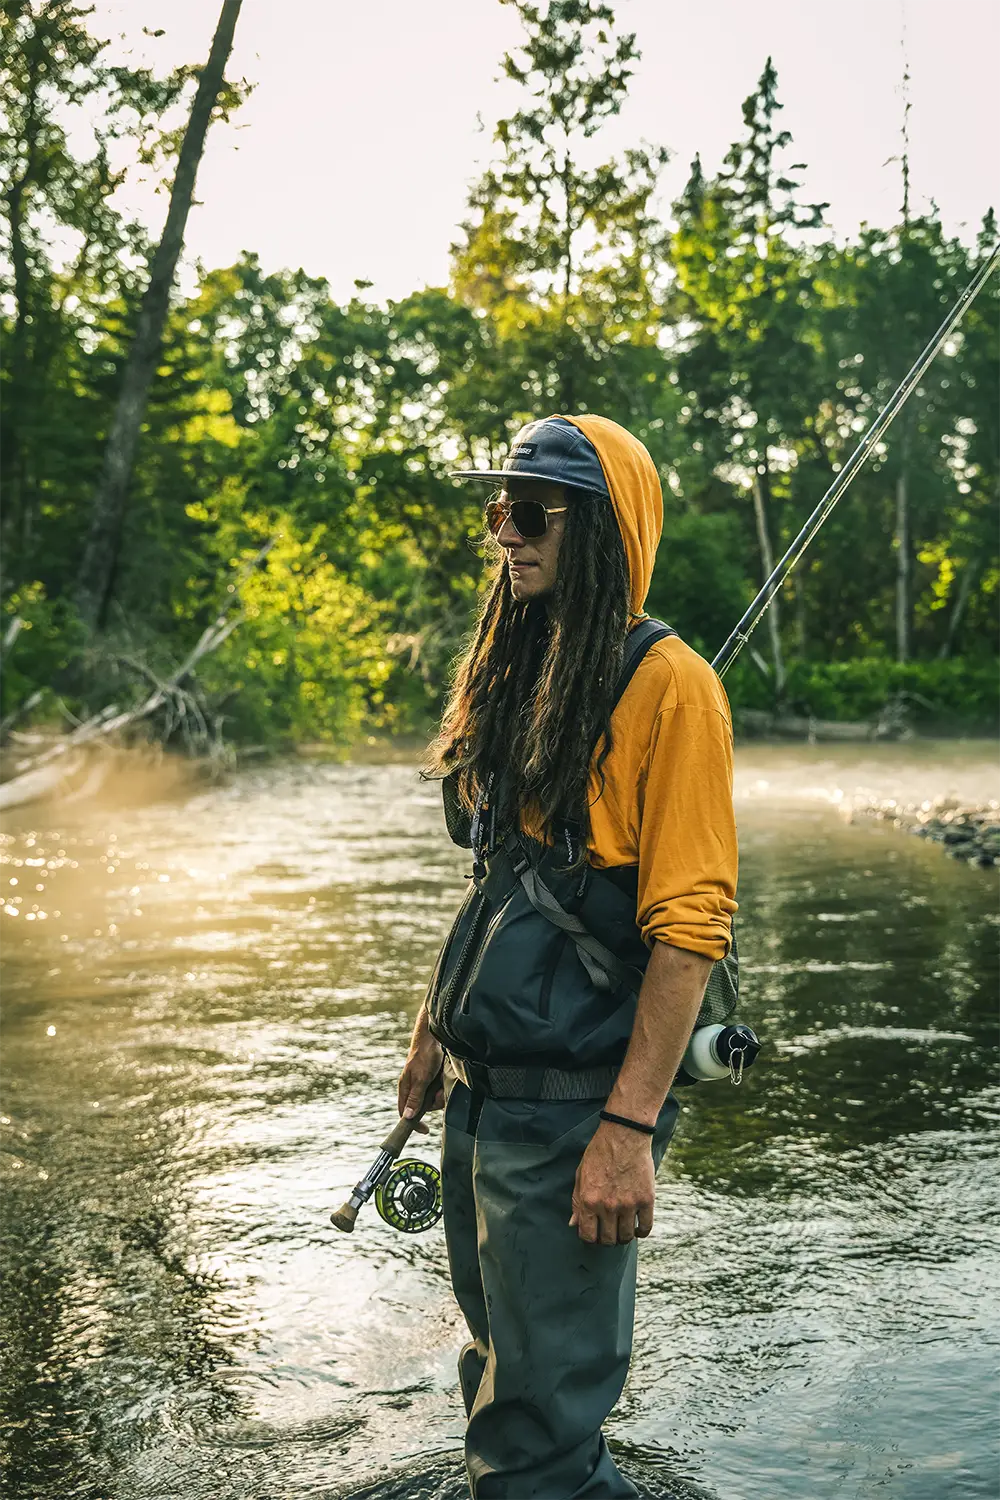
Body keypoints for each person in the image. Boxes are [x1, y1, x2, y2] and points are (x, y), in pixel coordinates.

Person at [397, 414, 738, 1500]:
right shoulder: (522, 664)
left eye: (532, 511)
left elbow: (690, 930)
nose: (506, 530)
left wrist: (626, 1133)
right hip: (483, 1095)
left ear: (599, 531)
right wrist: (428, 1040)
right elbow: (496, 876)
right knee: (502, 1374)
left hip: (578, 1110)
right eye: (499, 507)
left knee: (535, 1436)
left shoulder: (673, 689)